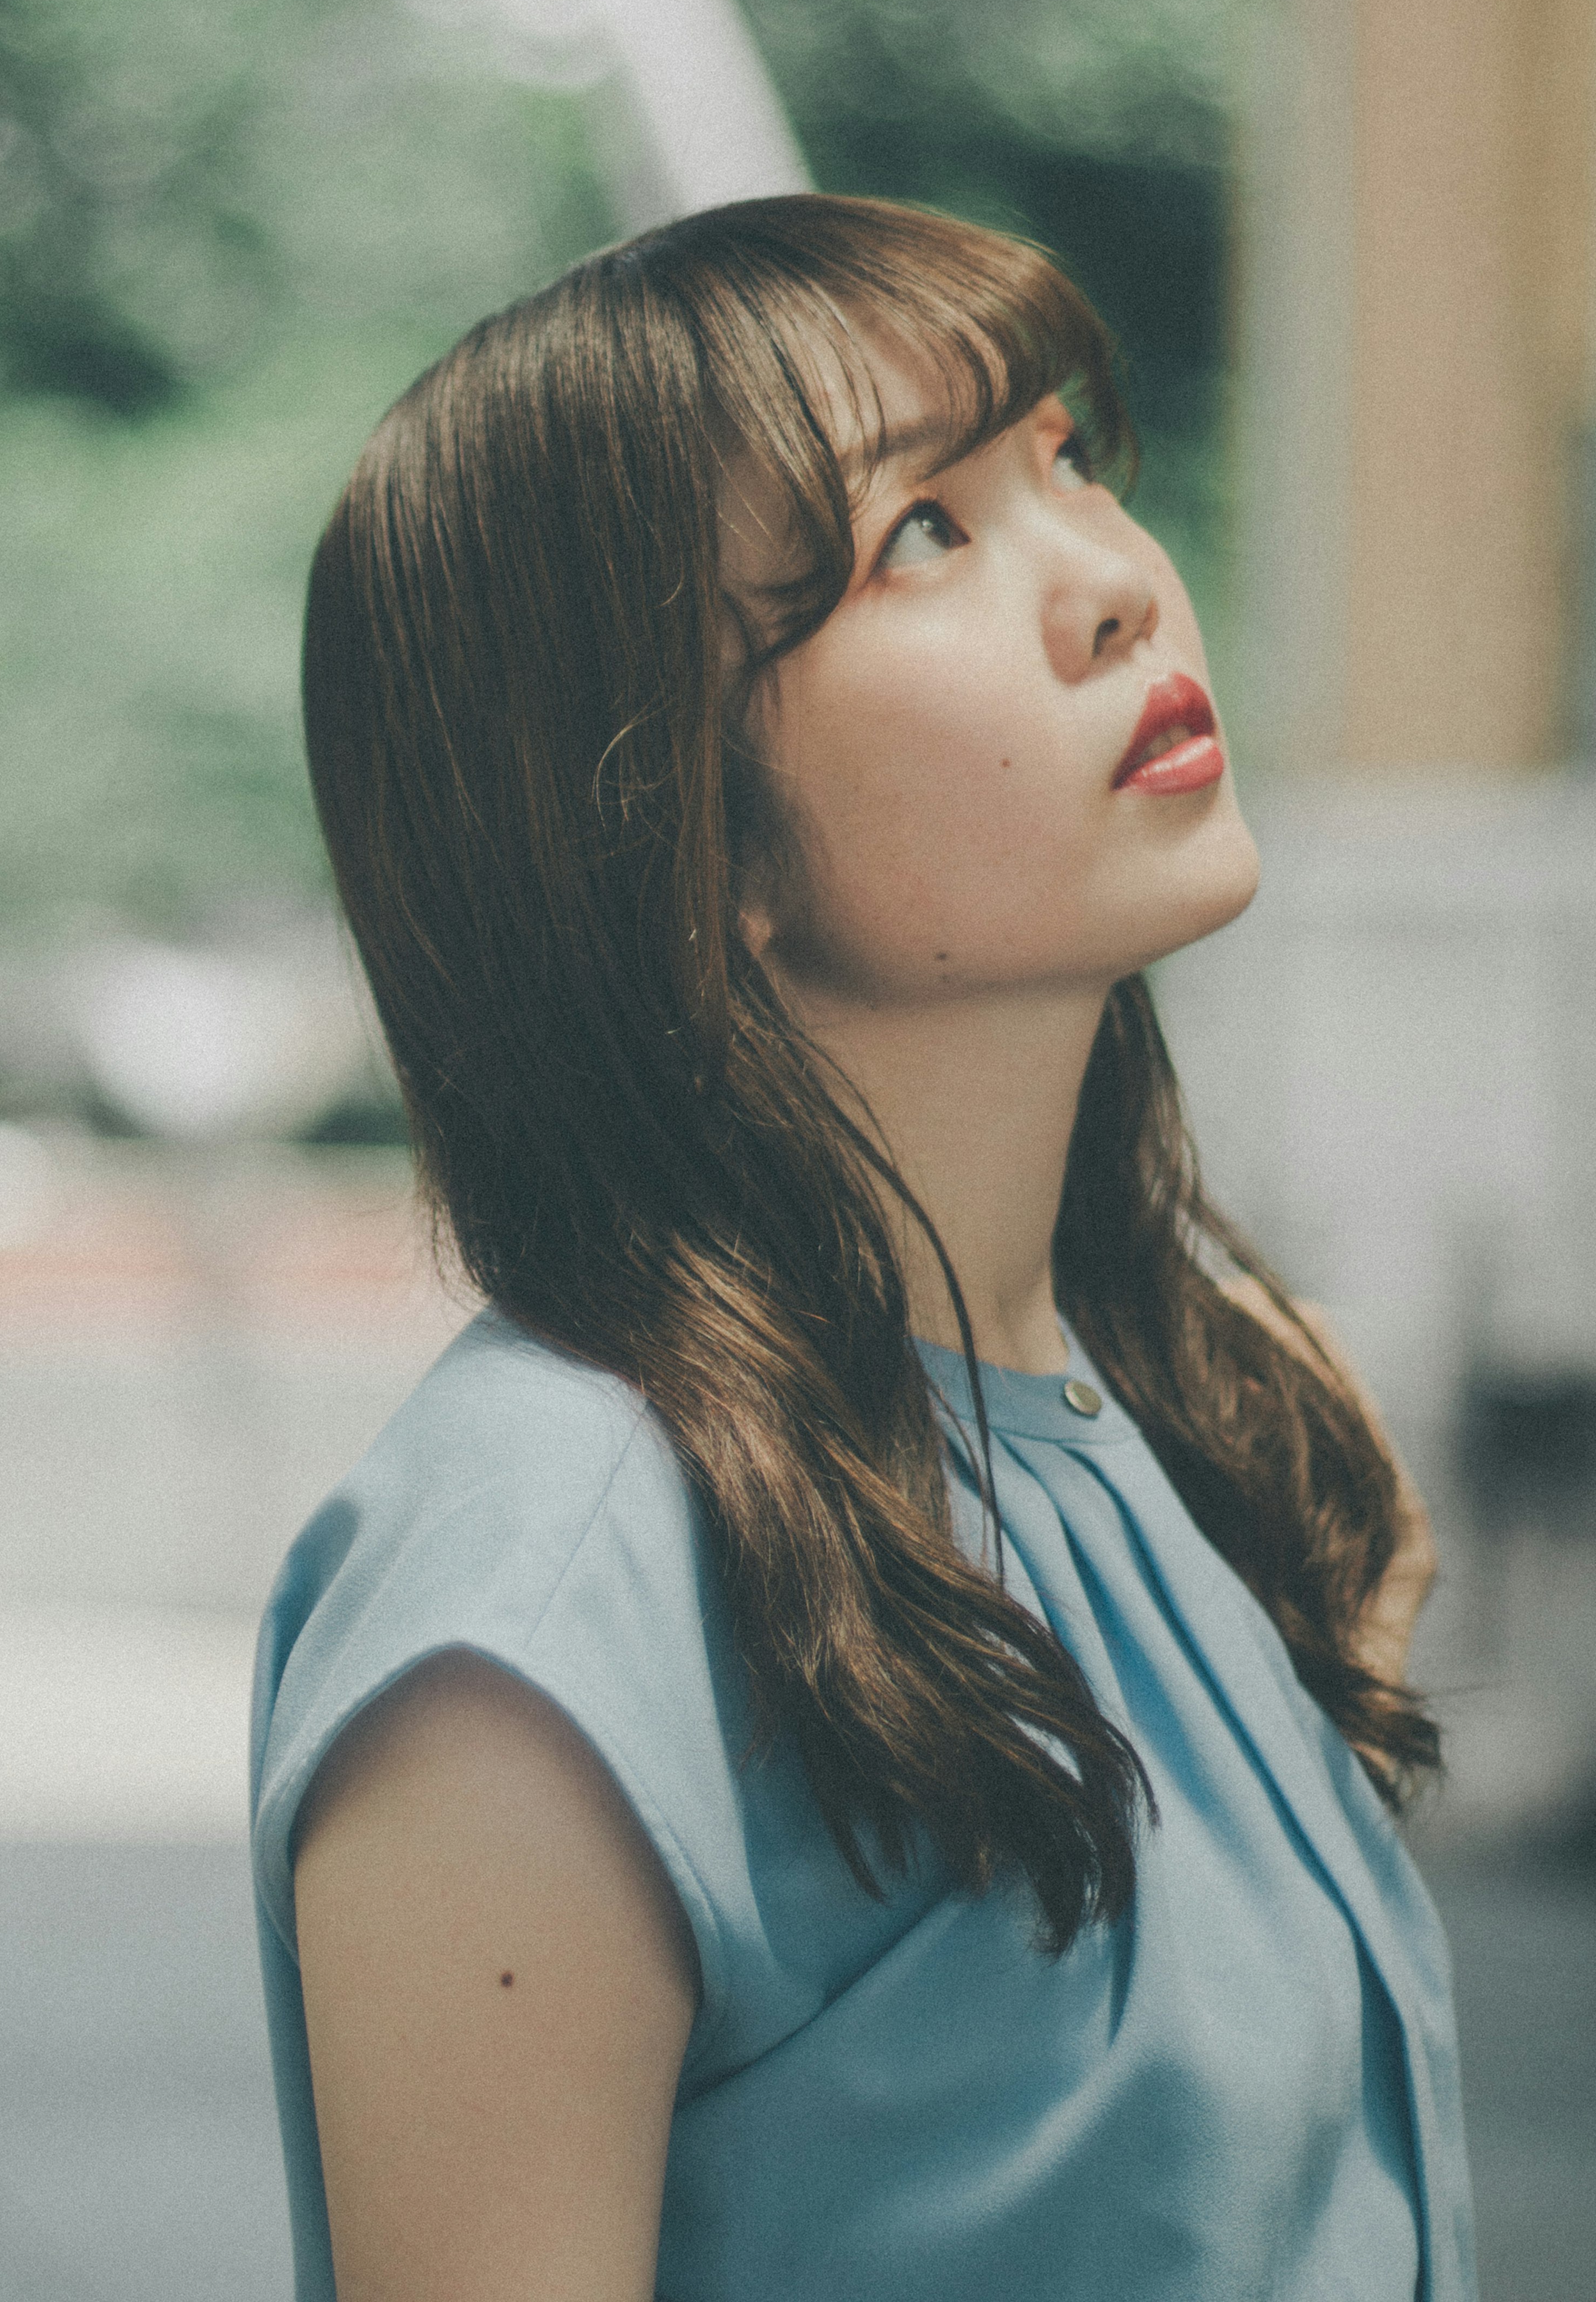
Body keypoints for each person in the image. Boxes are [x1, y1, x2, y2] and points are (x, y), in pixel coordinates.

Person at [251, 194, 1470, 2302]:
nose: (1109, 582)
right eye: (923, 534)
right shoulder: (549, 1599)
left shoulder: (1169, 1407)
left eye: (1068, 456)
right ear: (676, 831)